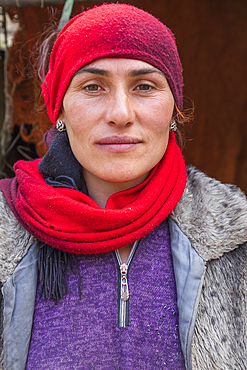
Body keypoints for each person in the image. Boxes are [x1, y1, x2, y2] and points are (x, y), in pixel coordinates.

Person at [0, 3, 246, 370]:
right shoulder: (7, 227)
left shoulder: (236, 239)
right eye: (93, 86)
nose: (121, 113)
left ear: (175, 108)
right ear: (60, 109)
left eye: (144, 86)